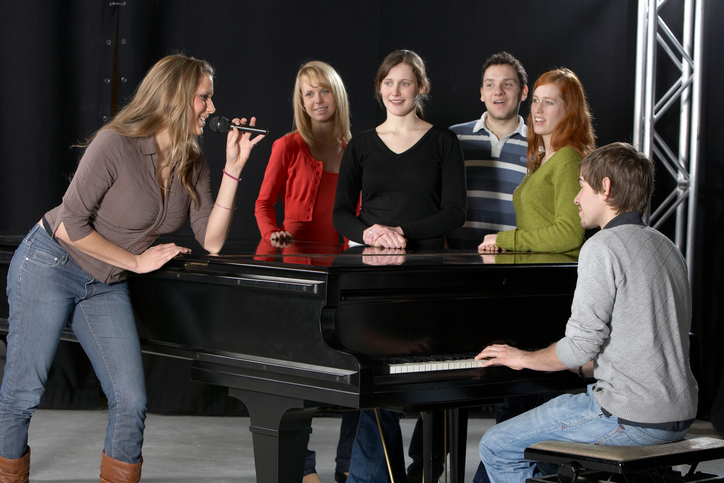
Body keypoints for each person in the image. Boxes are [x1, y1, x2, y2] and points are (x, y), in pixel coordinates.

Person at [0, 54, 265, 483]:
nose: (213, 108)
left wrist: (234, 170)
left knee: (130, 399)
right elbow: (69, 225)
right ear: (177, 98)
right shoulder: (115, 143)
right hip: (51, 262)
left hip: (104, 281)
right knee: (23, 391)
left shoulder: (193, 161)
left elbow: (211, 240)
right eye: (205, 98)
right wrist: (138, 262)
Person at [476, 142, 698, 483]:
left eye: (581, 186)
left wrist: (523, 358)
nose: (576, 198)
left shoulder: (602, 247)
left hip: (627, 417)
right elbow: (650, 340)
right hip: (680, 415)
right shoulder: (667, 246)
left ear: (604, 187)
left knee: (496, 444)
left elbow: (578, 348)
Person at [333, 49, 466, 483]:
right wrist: (371, 233)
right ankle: (371, 477)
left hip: (426, 272)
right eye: (388, 83)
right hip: (371, 272)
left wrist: (401, 232)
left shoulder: (443, 141)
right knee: (372, 376)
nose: (395, 91)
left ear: (421, 87)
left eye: (405, 82)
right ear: (379, 88)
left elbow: (454, 213)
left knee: (432, 376)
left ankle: (426, 470)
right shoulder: (362, 144)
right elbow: (341, 213)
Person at [254, 60, 357, 483]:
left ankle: (351, 467)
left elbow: (359, 211)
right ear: (300, 101)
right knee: (296, 377)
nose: (317, 100)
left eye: (324, 91)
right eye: (308, 94)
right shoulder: (287, 145)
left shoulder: (357, 148)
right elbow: (263, 204)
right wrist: (273, 233)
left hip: (341, 269)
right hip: (292, 267)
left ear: (338, 95)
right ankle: (305, 468)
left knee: (355, 373)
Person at [479, 67, 595, 254]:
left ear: (569, 110)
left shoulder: (567, 160)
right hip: (536, 270)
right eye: (535, 100)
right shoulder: (542, 159)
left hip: (553, 276)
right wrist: (505, 242)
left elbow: (569, 234)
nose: (538, 110)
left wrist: (507, 239)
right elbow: (536, 228)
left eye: (548, 102)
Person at [446, 51, 529, 249]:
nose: (498, 91)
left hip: (515, 259)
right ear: (482, 93)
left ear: (523, 92)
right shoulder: (455, 137)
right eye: (490, 84)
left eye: (507, 84)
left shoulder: (540, 144)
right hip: (458, 259)